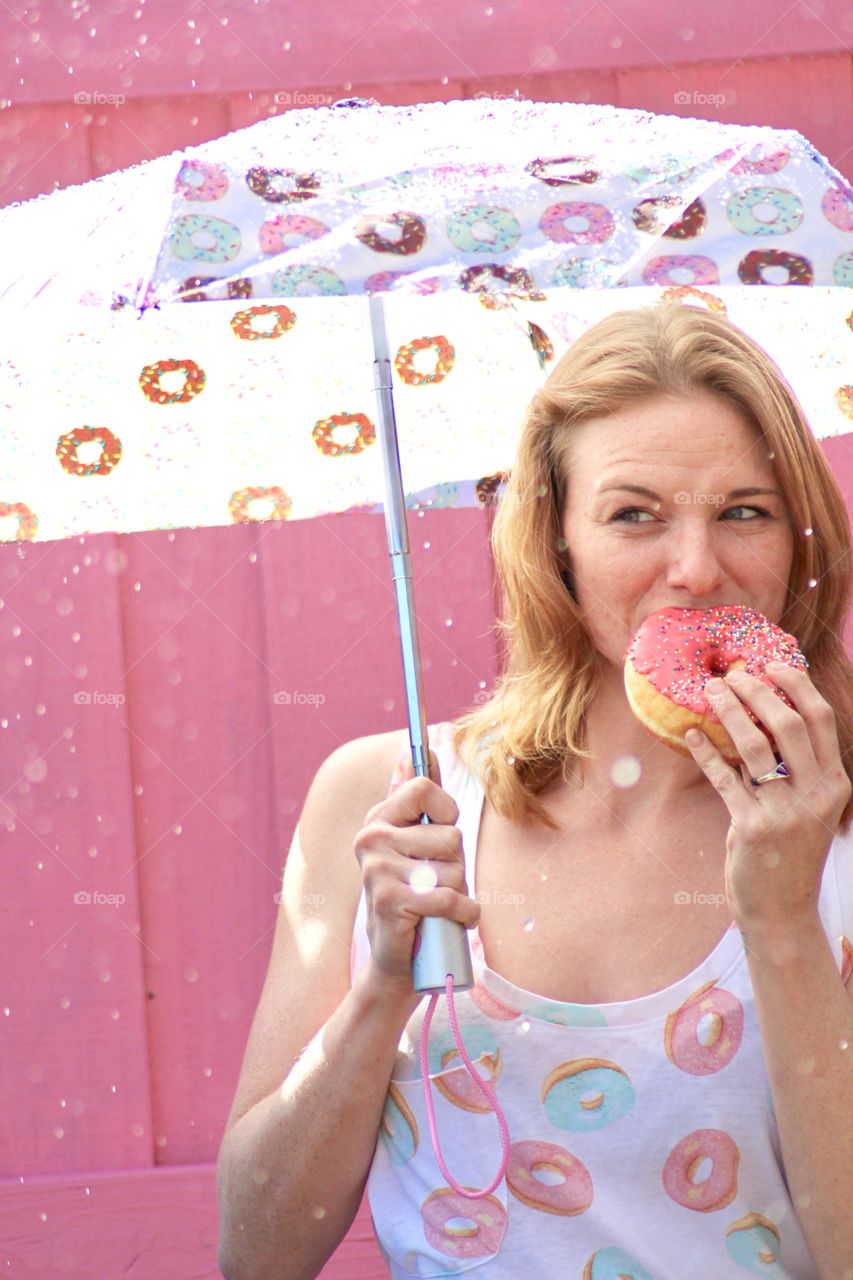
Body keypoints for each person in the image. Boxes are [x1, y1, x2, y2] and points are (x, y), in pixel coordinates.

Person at [216, 303, 853, 1280]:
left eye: (743, 509)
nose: (695, 567)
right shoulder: (385, 799)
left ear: (798, 538)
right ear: (555, 538)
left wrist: (780, 923)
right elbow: (259, 1251)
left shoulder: (840, 831)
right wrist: (383, 984)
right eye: (632, 512)